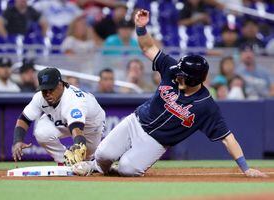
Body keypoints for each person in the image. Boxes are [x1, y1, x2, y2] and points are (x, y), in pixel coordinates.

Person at [71, 9, 267, 178]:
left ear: (193, 79)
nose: (177, 75)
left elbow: (227, 137)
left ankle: (114, 169)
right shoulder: (172, 68)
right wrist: (141, 28)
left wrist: (245, 168)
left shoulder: (206, 105)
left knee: (127, 169)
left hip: (156, 142)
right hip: (136, 122)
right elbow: (148, 47)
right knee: (104, 154)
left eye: (183, 75)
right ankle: (95, 167)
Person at [12, 67, 105, 165]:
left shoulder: (73, 102)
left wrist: (78, 144)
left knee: (86, 159)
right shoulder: (39, 97)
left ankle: (92, 162)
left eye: (51, 89)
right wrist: (17, 140)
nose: (47, 94)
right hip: (60, 120)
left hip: (90, 126)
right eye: (44, 90)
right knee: (41, 132)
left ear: (60, 84)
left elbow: (77, 129)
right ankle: (64, 161)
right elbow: (24, 119)